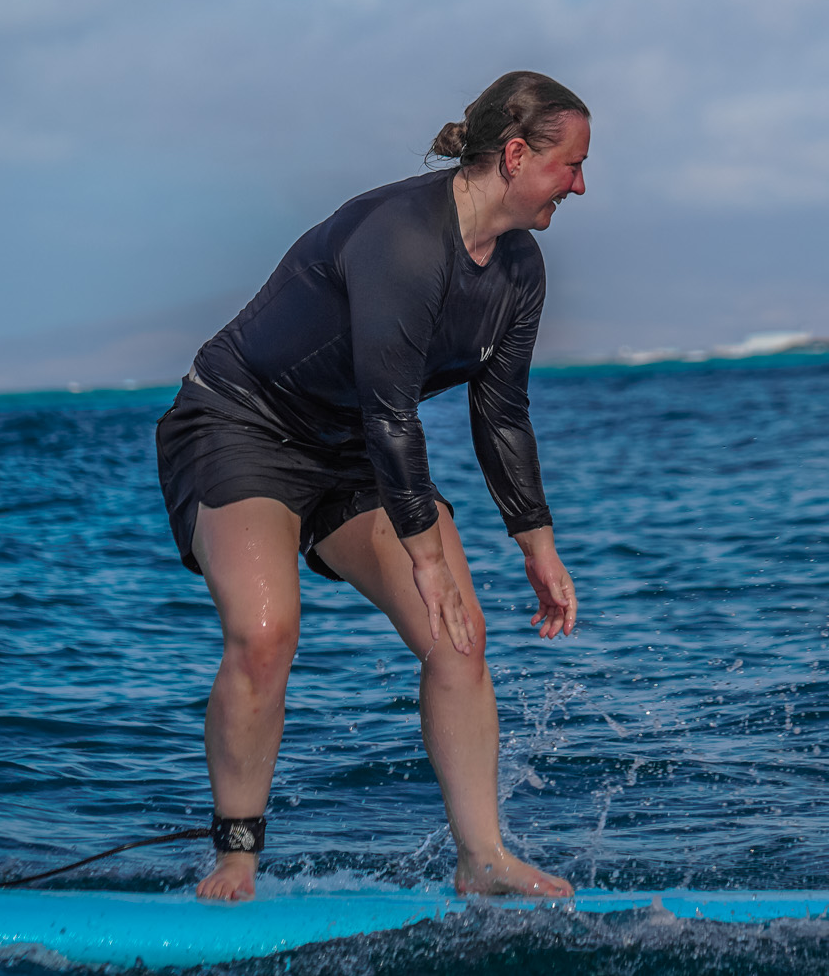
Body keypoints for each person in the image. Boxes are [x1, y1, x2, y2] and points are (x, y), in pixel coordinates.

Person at [154, 70, 589, 902]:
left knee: (457, 634)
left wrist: (537, 544)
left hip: (352, 448)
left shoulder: (518, 270)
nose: (580, 183)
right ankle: (236, 857)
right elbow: (393, 414)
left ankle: (483, 860)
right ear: (515, 153)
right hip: (242, 425)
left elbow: (500, 414)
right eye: (570, 163)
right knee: (265, 629)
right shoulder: (402, 239)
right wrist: (425, 556)